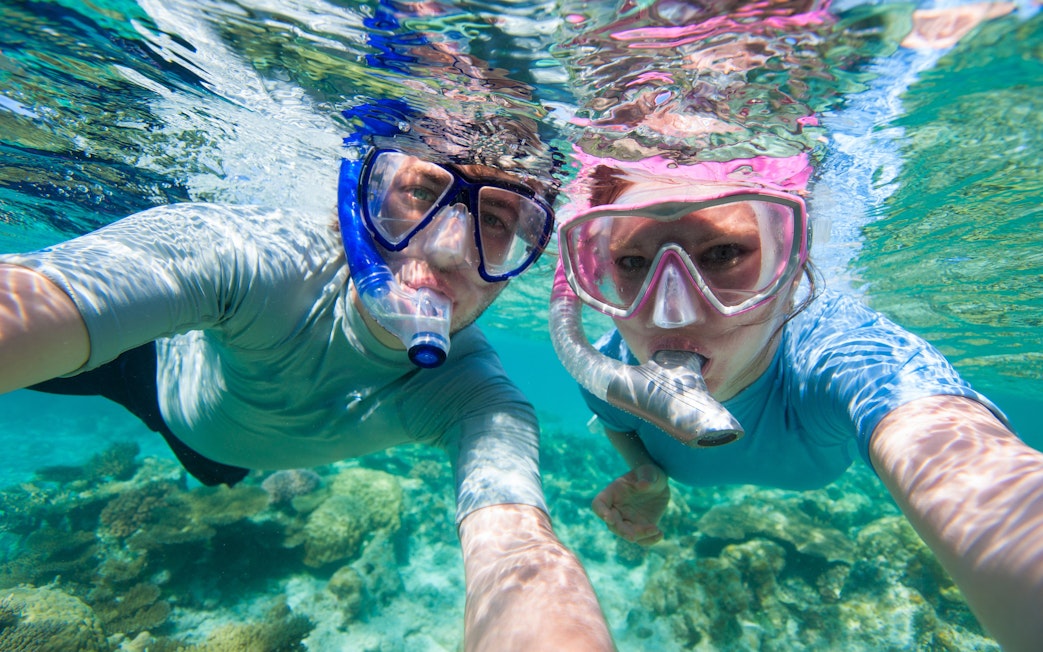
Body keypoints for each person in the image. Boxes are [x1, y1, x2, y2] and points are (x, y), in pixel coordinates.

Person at [0, 80, 615, 652]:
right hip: (147, 371)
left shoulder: (476, 396)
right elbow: (38, 298)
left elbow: (517, 555)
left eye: (497, 220)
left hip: (221, 456)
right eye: (421, 193)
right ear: (361, 197)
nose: (451, 249)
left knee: (218, 473)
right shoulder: (248, 260)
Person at [548, 1, 1042, 650]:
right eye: (633, 263)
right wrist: (649, 477)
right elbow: (619, 422)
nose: (671, 312)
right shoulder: (609, 370)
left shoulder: (843, 356)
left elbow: (958, 459)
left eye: (722, 253)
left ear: (792, 265)